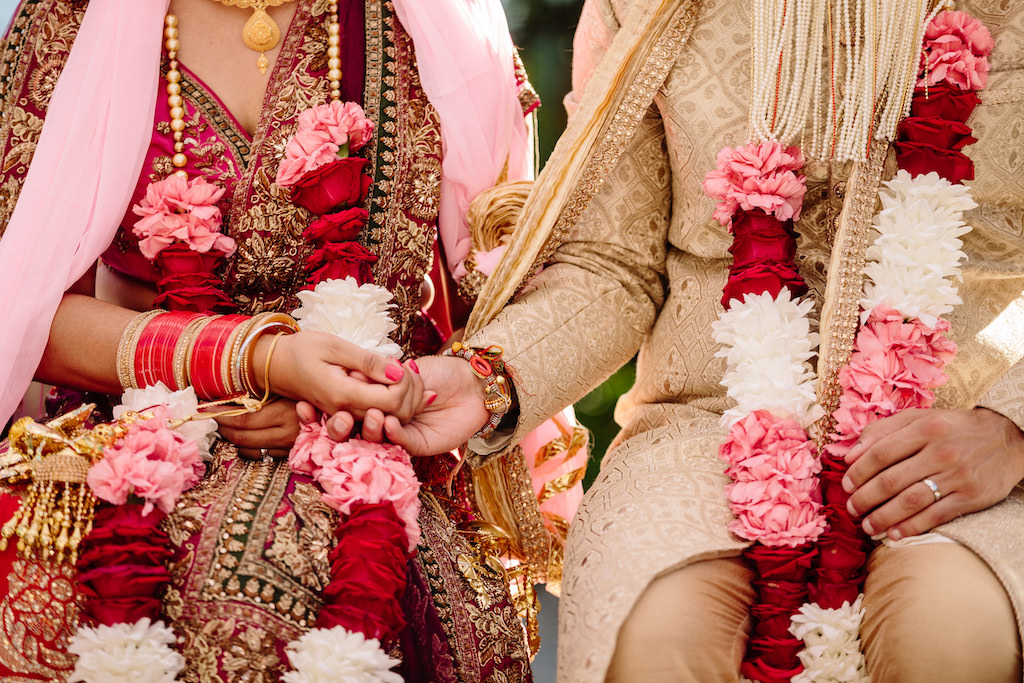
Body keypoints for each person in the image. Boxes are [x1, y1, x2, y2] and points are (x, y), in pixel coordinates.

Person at [390, 0, 1024, 681]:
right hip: (703, 431)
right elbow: (612, 266)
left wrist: (1009, 429)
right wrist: (488, 377)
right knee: (660, 642)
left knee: (950, 636)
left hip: (967, 429)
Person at [0, 0, 573, 680]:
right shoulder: (68, 19)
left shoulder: (436, 22)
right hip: (129, 448)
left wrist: (396, 387)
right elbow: (20, 308)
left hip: (379, 456)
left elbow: (507, 296)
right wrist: (254, 359)